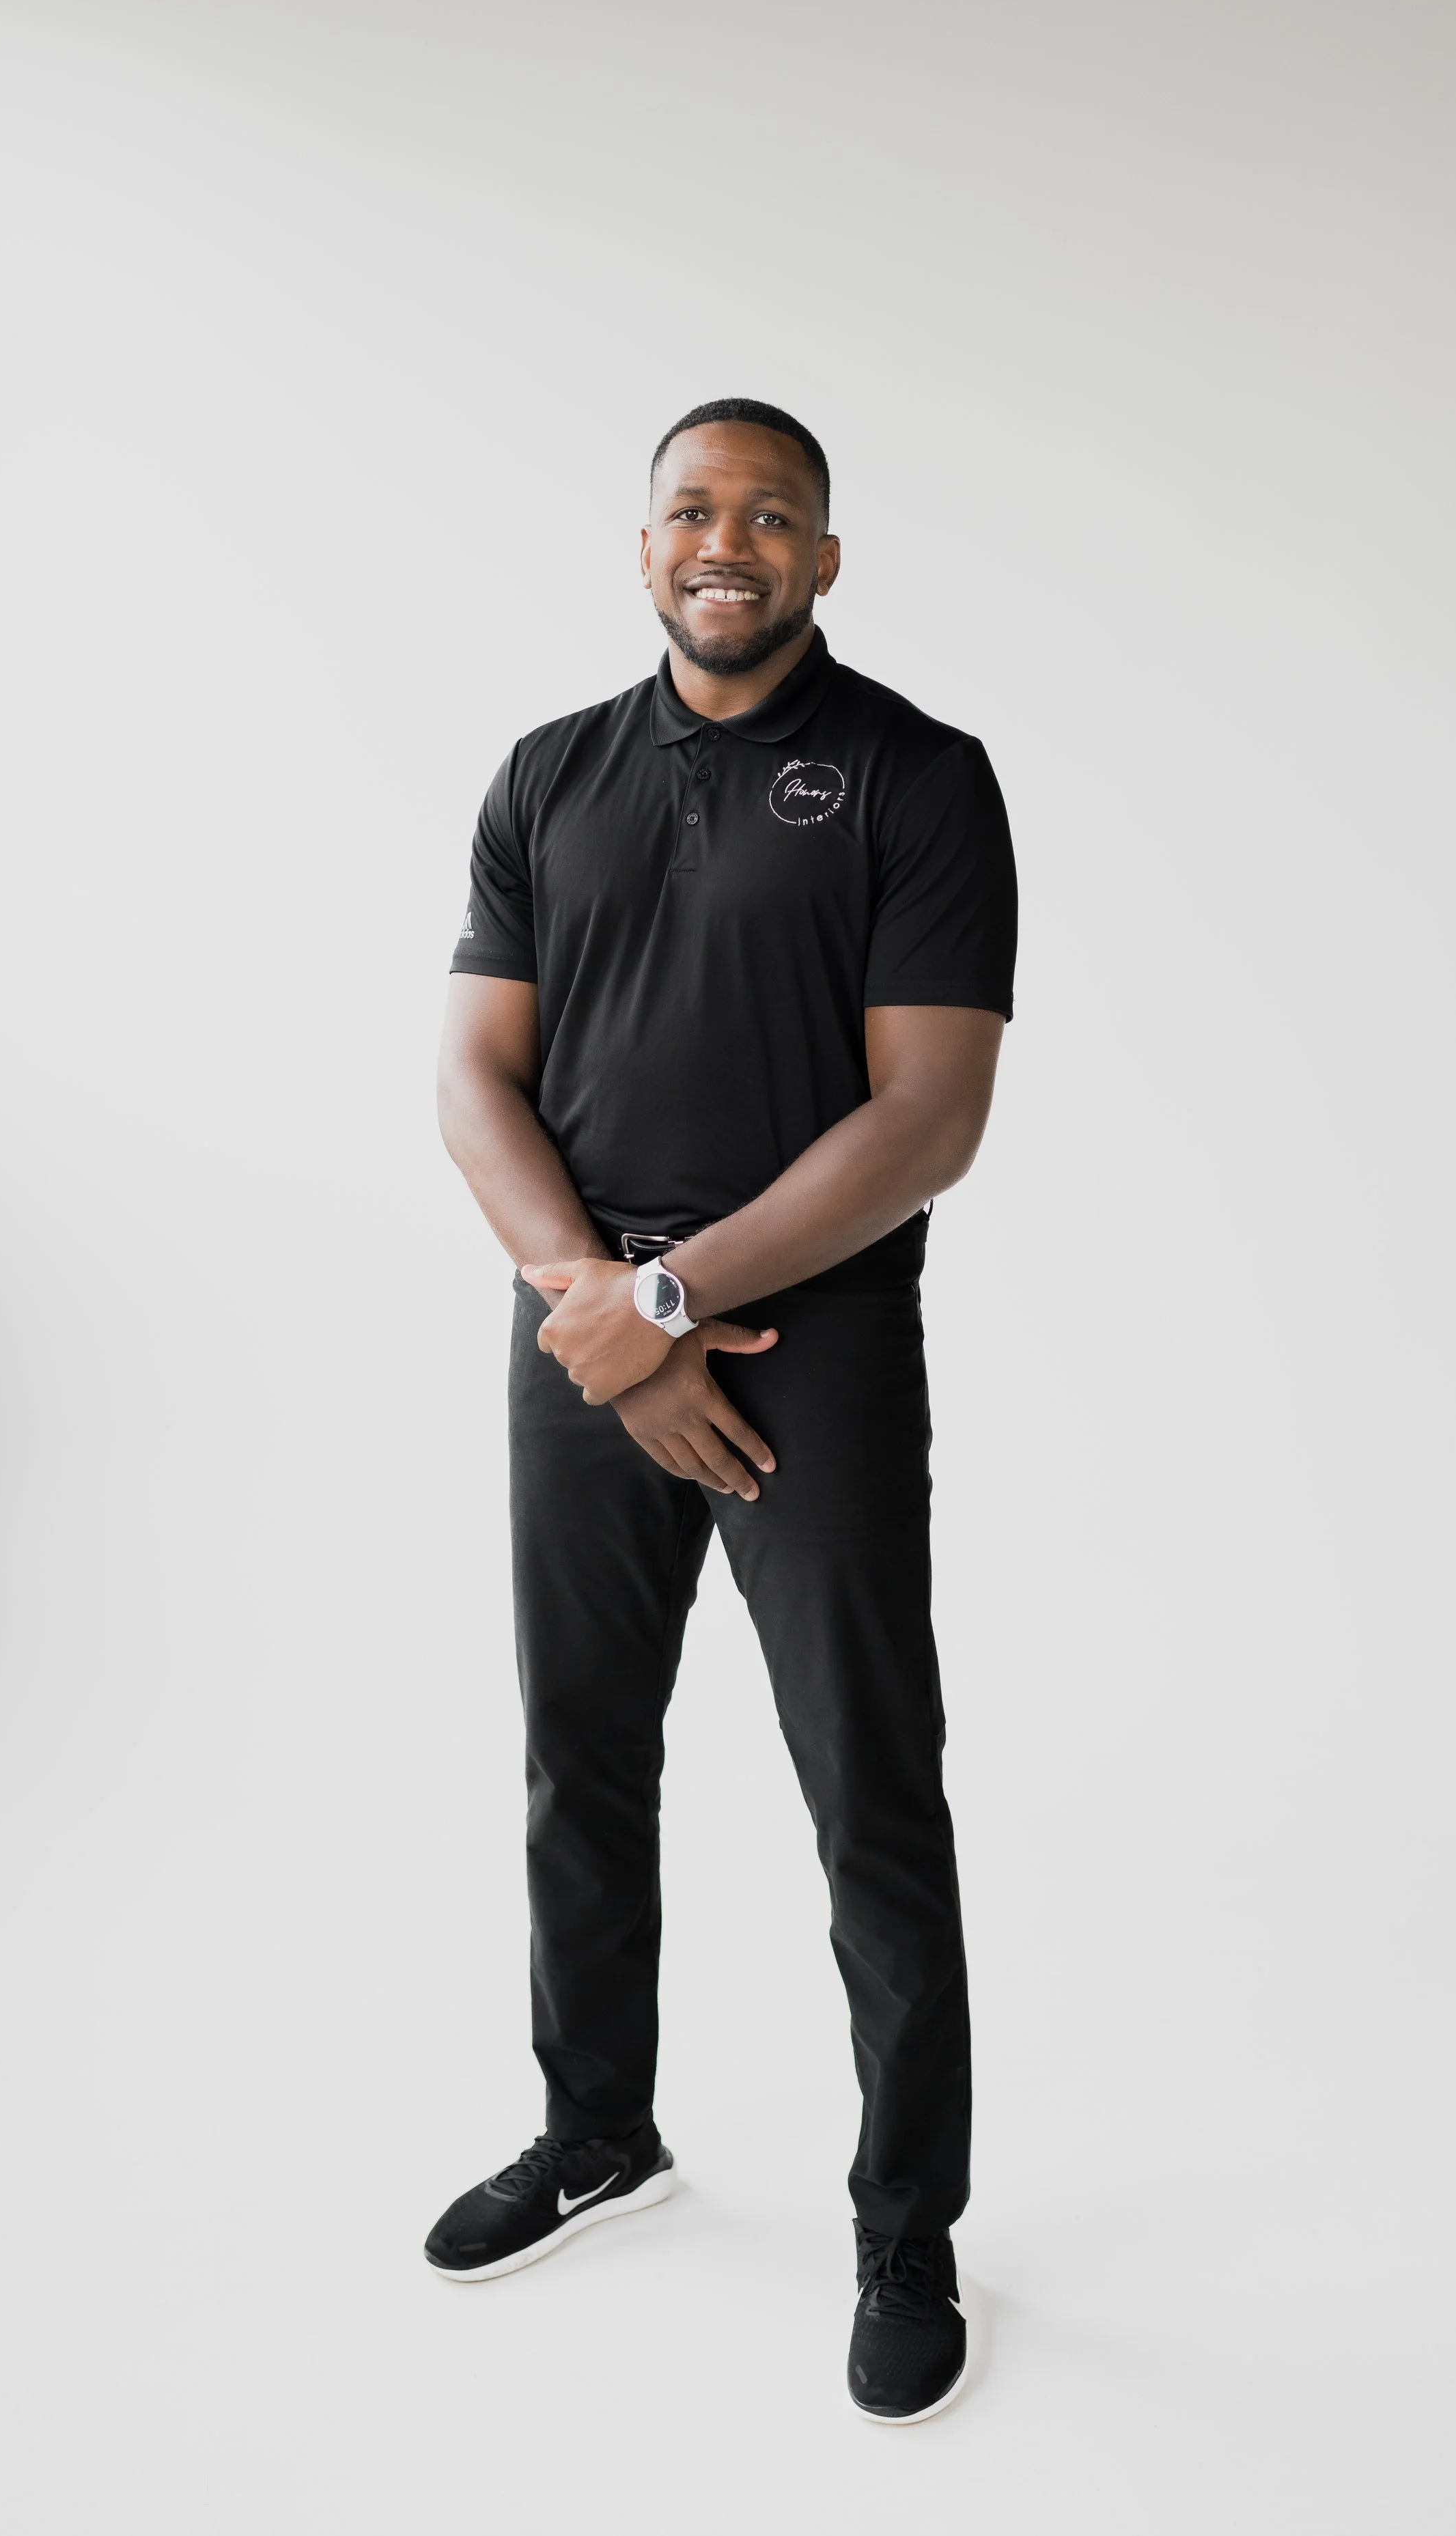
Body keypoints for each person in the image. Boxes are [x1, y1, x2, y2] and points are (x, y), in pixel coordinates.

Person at [424, 398, 1018, 2424]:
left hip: (809, 1351)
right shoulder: (547, 776)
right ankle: (598, 2128)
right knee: (576, 1759)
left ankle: (904, 2232)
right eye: (691, 506)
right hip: (579, 1334)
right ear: (644, 543)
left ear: (826, 561)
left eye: (773, 514)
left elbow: (926, 1118)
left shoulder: (916, 780)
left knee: (870, 1795)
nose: (727, 539)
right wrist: (599, 1307)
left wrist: (673, 1300)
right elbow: (473, 1080)